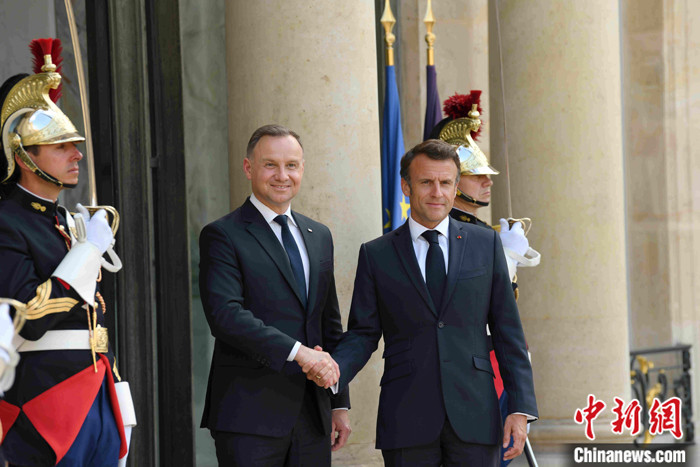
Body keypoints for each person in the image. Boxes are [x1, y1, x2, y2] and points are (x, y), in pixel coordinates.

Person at [316, 139, 537, 466]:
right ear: (406, 187)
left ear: (455, 187)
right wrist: (334, 370)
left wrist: (520, 408)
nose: (437, 192)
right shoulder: (377, 254)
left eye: (445, 183)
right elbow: (363, 334)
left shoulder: (485, 244)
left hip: (476, 415)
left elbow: (508, 332)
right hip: (406, 418)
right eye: (426, 182)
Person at [0, 39, 133, 466]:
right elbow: (29, 316)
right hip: (43, 401)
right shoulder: (7, 221)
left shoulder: (67, 221)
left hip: (98, 387)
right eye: (61, 146)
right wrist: (88, 251)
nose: (77, 155)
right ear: (25, 156)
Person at [199, 124, 351, 466]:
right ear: (248, 167)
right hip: (249, 417)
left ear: (302, 169)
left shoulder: (318, 235)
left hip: (313, 416)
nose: (282, 176)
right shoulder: (222, 234)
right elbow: (226, 316)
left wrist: (338, 402)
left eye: (291, 165)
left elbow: (329, 324)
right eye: (270, 165)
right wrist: (299, 353)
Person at [431, 92, 541, 466]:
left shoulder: (483, 234)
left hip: (495, 360)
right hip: (465, 374)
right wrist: (506, 260)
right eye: (476, 175)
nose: (487, 182)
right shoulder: (446, 234)